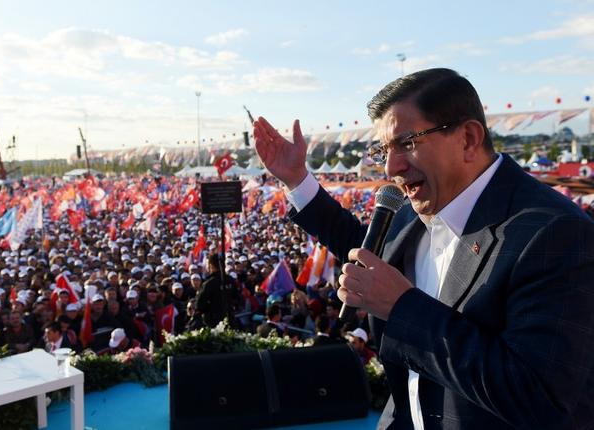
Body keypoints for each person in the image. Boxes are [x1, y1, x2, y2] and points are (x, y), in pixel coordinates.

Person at [253, 68, 594, 429]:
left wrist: (402, 308)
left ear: (467, 138)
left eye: (408, 143)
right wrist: (297, 180)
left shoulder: (555, 233)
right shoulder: (416, 209)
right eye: (384, 149)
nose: (391, 166)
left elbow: (537, 397)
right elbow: (365, 251)